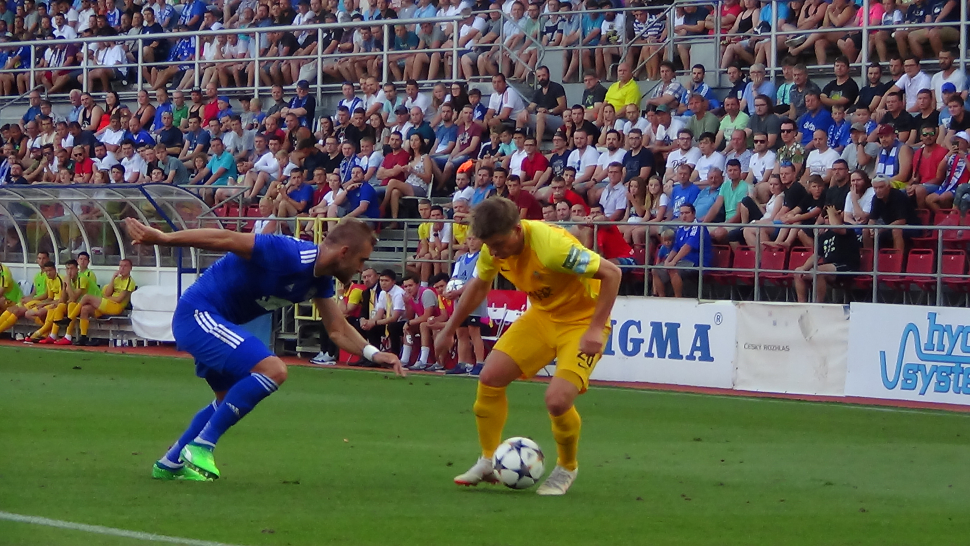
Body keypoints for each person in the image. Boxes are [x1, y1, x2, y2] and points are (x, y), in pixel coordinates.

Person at [124, 218, 404, 482]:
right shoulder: (288, 253)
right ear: (344, 252)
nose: (362, 268)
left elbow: (337, 329)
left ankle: (170, 463)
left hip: (216, 322)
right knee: (273, 370)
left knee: (226, 399)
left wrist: (373, 354)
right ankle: (202, 446)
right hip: (198, 314)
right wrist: (164, 238)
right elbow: (225, 238)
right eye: (361, 260)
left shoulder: (321, 280)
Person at [435, 197, 621, 496]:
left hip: (581, 322)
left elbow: (612, 273)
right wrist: (448, 328)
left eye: (498, 243)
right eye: (489, 245)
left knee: (557, 401)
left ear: (517, 230)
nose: (494, 251)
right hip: (542, 317)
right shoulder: (492, 249)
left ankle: (567, 467)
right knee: (490, 377)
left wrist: (596, 328)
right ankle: (487, 459)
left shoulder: (552, 249)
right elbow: (479, 285)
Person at [794, 205, 860, 303]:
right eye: (826, 218)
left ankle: (818, 304)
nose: (828, 220)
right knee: (798, 272)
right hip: (829, 268)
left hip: (847, 266)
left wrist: (832, 212)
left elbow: (836, 227)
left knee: (819, 271)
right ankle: (801, 305)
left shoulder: (847, 227)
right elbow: (817, 255)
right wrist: (803, 269)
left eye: (830, 216)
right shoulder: (824, 235)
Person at [653, 203, 711, 298]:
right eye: (681, 213)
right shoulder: (680, 228)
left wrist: (673, 262)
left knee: (673, 269)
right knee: (655, 270)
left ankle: (678, 298)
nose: (684, 216)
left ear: (693, 214)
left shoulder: (698, 226)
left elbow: (687, 247)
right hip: (682, 261)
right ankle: (661, 297)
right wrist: (668, 261)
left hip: (696, 262)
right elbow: (676, 247)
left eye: (687, 213)